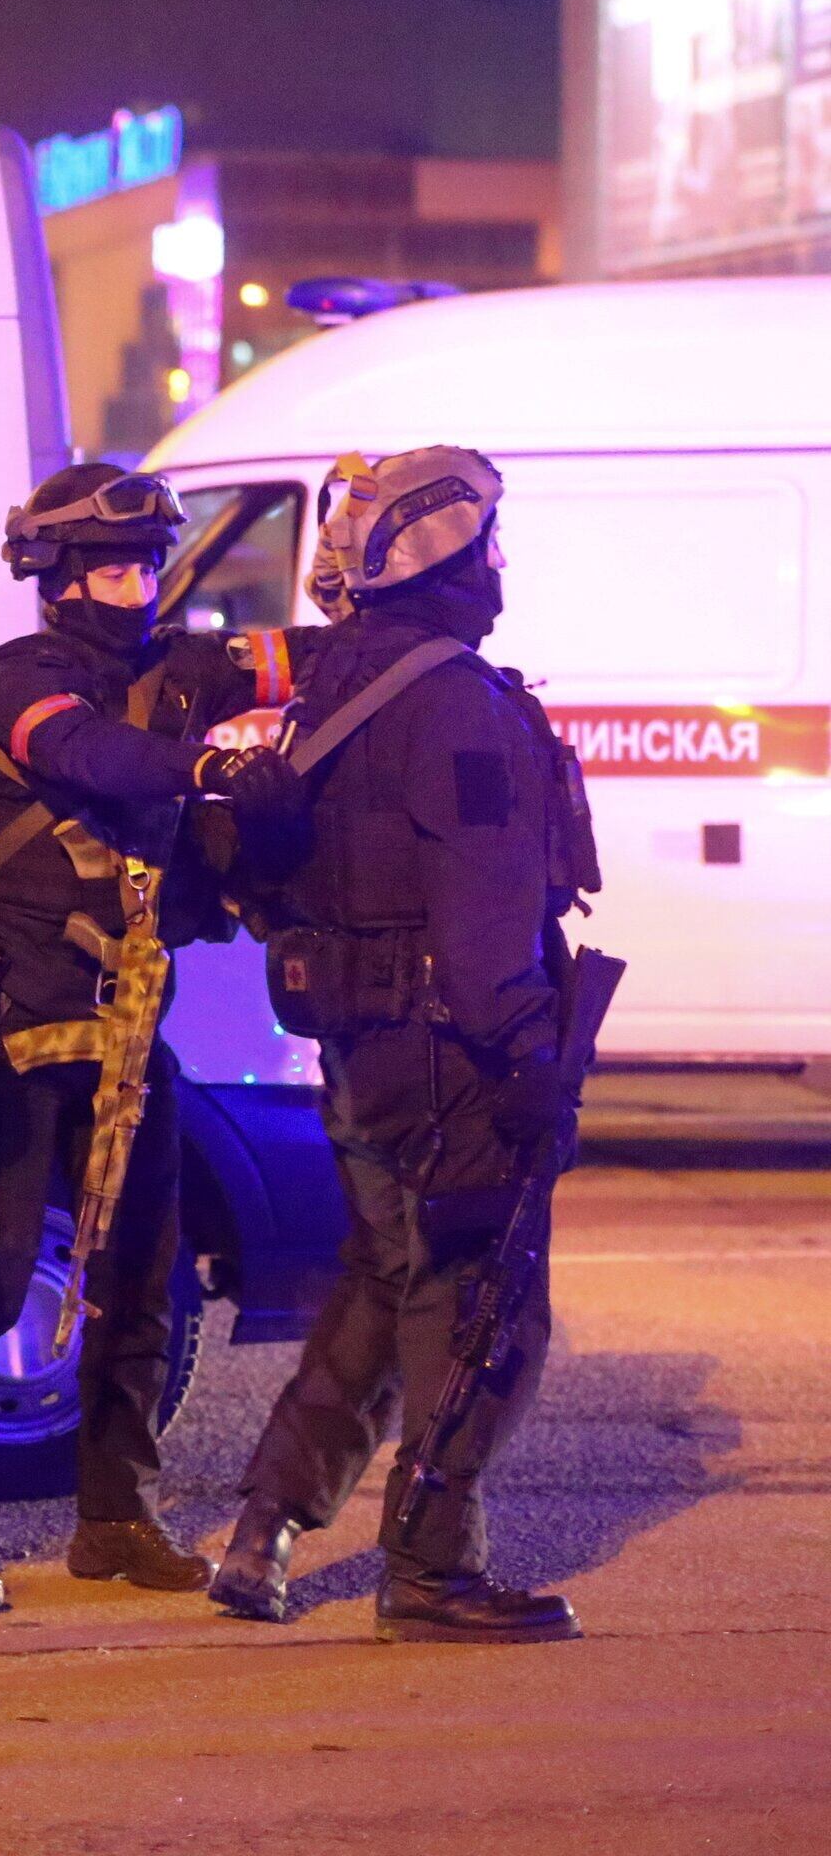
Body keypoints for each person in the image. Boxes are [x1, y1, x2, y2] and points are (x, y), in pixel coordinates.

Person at [0, 464, 300, 1612]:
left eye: (150, 563)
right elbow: (90, 756)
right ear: (60, 578)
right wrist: (213, 765)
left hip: (125, 1034)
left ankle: (115, 1516)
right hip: (12, 1030)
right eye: (115, 564)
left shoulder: (180, 671)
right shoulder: (21, 684)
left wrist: (414, 652)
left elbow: (300, 661)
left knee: (144, 1276)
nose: (137, 583)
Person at [210, 446, 592, 1641]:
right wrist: (530, 1059)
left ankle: (264, 1525)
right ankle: (430, 1569)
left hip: (362, 1049)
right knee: (484, 1302)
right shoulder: (458, 704)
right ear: (444, 555)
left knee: (387, 1284)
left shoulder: (341, 684)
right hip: (449, 1058)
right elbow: (482, 918)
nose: (501, 565)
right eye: (488, 543)